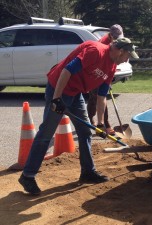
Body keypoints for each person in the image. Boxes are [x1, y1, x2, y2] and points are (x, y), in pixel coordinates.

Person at [18, 37, 139, 195]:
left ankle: (88, 172)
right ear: (121, 51)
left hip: (75, 93)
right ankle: (28, 175)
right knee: (46, 133)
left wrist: (101, 124)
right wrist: (57, 98)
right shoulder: (96, 52)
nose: (127, 60)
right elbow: (66, 70)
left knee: (85, 131)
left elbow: (102, 98)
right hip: (59, 87)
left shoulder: (111, 67)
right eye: (127, 56)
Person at [87, 24, 125, 135]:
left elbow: (113, 61)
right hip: (94, 74)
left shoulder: (118, 43)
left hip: (104, 73)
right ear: (111, 36)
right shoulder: (103, 43)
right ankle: (104, 123)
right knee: (96, 97)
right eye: (116, 37)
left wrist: (108, 78)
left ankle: (93, 119)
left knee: (96, 98)